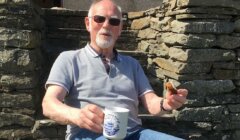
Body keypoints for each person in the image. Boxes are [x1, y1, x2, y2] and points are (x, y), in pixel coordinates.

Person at [41, 0, 188, 139]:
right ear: (88, 23)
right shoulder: (69, 59)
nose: (106, 25)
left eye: (114, 21)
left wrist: (166, 103)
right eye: (99, 19)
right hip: (88, 134)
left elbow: (151, 102)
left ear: (120, 29)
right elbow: (49, 104)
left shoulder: (132, 65)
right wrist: (77, 115)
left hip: (134, 134)